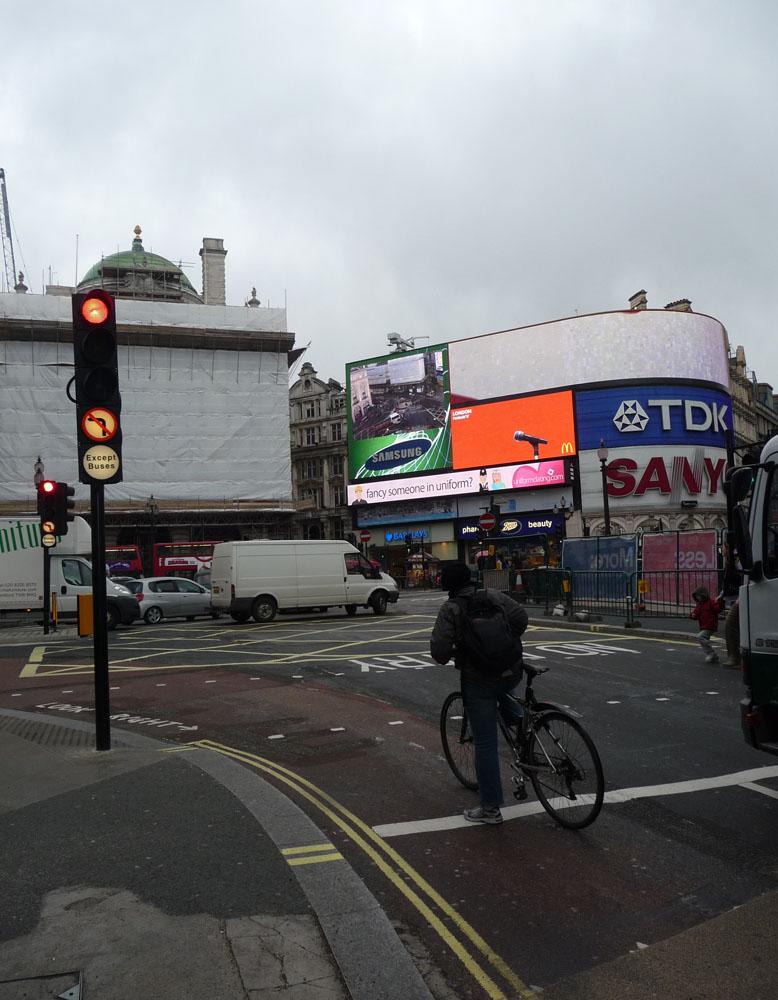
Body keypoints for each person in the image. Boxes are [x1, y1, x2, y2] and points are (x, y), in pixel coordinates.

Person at [430, 562, 528, 825]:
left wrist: (461, 650)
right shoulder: (491, 596)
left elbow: (439, 652)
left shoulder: (451, 609)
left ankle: (490, 808)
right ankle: (522, 726)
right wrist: (503, 642)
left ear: (447, 584)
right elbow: (521, 618)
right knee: (503, 689)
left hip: (479, 678)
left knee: (485, 742)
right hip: (511, 668)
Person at [690, 586, 724, 664]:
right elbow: (695, 614)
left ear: (703, 595)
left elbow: (718, 609)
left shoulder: (711, 602)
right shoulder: (699, 605)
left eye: (699, 596)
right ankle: (712, 656)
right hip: (703, 626)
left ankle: (711, 653)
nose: (698, 598)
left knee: (700, 636)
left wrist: (720, 603)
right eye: (696, 596)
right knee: (703, 639)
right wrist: (692, 615)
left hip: (710, 626)